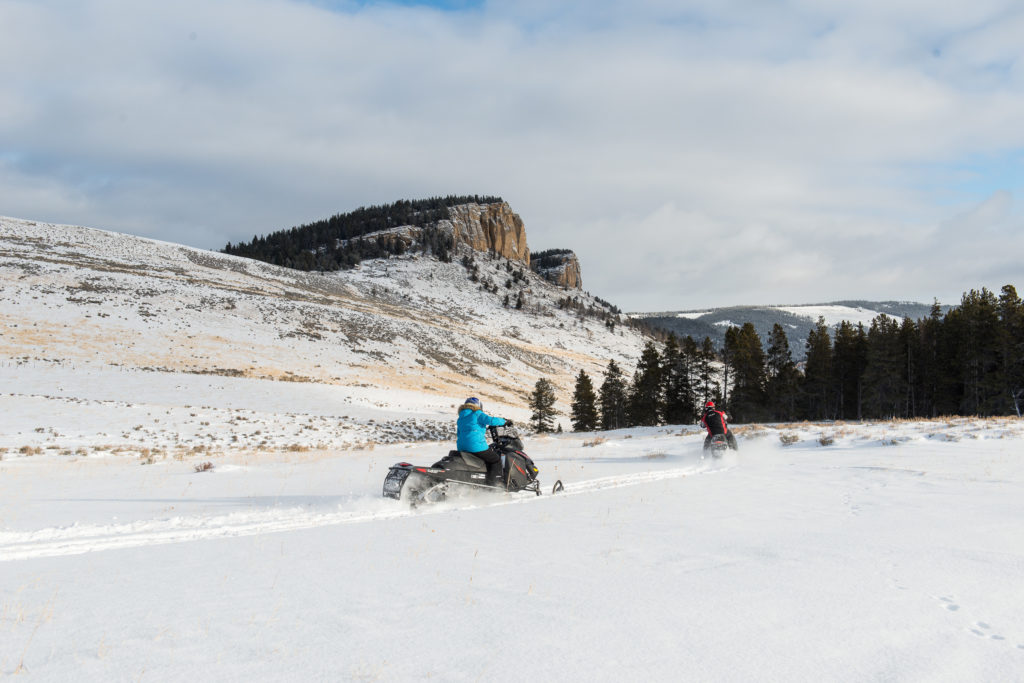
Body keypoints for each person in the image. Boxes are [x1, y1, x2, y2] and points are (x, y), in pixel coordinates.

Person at [456, 397, 510, 487]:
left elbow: (459, 433)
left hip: (462, 446)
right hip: (475, 446)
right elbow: (491, 420)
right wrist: (504, 421)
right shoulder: (477, 413)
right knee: (495, 460)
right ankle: (494, 485)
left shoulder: (461, 417)